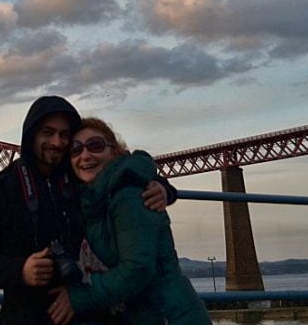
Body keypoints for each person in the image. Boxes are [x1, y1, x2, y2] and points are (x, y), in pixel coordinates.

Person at [0, 96, 176, 324]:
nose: (57, 142)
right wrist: (20, 271)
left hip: (86, 313)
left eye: (64, 135)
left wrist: (162, 187)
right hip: (25, 317)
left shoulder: (78, 176)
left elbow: (125, 172)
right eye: (48, 132)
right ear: (31, 134)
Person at [47, 117, 211, 325]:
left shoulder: (129, 195)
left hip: (168, 315)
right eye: (76, 150)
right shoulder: (93, 198)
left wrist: (78, 297)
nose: (85, 155)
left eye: (95, 146)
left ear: (113, 151)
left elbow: (137, 269)